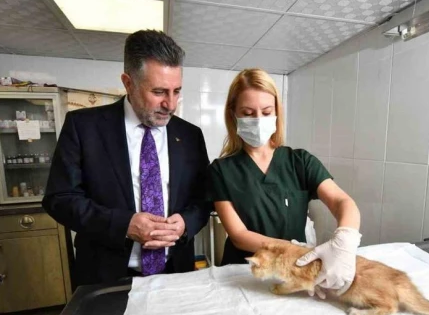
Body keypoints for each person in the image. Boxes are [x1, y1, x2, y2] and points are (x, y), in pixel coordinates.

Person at [43, 30, 211, 286]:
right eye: (159, 92)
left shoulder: (189, 135)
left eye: (176, 91)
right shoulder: (84, 127)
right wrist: (123, 225)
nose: (171, 104)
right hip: (106, 276)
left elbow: (203, 198)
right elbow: (60, 198)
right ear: (128, 83)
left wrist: (186, 223)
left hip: (175, 274)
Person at [208, 68, 362, 295]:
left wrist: (345, 241)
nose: (258, 120)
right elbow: (239, 235)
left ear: (277, 113)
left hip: (294, 273)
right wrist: (295, 251)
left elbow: (341, 201)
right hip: (244, 274)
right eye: (248, 113)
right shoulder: (221, 170)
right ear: (233, 115)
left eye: (266, 112)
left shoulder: (300, 162)